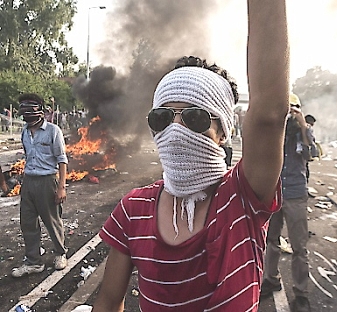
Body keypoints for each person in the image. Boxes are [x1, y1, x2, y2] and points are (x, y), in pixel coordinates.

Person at [92, 1, 289, 311]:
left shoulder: (242, 199)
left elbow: (270, 115)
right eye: (162, 118)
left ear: (223, 132)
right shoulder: (134, 209)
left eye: (194, 118)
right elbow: (108, 300)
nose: (175, 129)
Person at [11, 93, 68, 278]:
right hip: (28, 181)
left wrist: (61, 187)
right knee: (28, 222)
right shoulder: (24, 132)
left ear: (39, 111)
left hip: (47, 181)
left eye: (29, 111)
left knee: (52, 221)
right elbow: (28, 157)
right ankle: (33, 262)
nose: (26, 116)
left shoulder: (53, 131)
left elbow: (61, 160)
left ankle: (60, 253)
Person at [261, 105, 312, 312]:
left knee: (299, 247)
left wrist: (302, 127)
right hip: (274, 193)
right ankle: (271, 279)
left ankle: (301, 293)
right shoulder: (274, 133)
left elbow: (311, 154)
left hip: (295, 193)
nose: (289, 116)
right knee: (271, 240)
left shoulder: (303, 133)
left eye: (294, 111)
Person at [305, 114, 318, 183]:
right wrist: (314, 153)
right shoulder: (307, 128)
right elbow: (310, 140)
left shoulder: (299, 127)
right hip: (304, 152)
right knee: (305, 171)